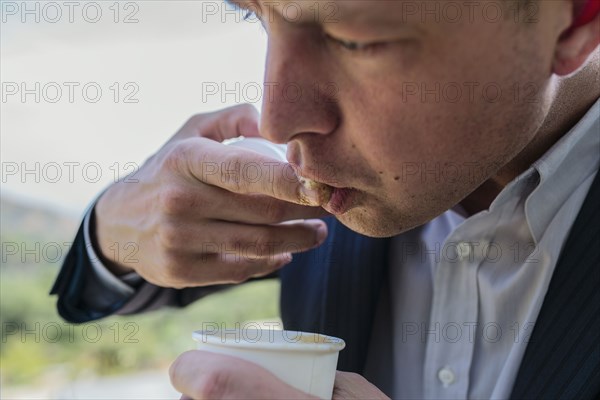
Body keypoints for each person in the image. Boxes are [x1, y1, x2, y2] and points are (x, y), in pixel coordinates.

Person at [52, 0, 600, 398]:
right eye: (254, 15)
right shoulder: (331, 189)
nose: (278, 121)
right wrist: (115, 230)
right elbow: (97, 290)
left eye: (354, 38)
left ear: (574, 18)